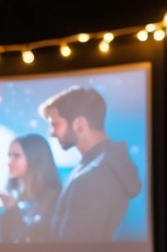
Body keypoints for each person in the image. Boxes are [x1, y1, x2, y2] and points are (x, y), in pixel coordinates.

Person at [39, 85, 142, 241]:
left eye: (55, 124)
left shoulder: (94, 176)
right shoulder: (96, 165)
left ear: (80, 124)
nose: (51, 133)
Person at [0, 133, 62, 243]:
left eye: (16, 156)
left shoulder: (54, 198)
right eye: (9, 156)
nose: (9, 162)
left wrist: (13, 210)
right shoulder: (14, 193)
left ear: (35, 158)